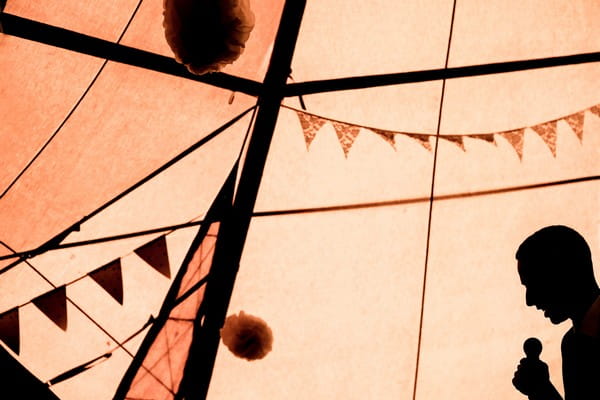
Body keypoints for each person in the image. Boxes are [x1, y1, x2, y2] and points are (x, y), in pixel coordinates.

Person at [512, 225, 600, 399]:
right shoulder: (571, 343)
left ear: (563, 274)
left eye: (535, 284)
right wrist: (541, 389)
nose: (529, 301)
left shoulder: (574, 344)